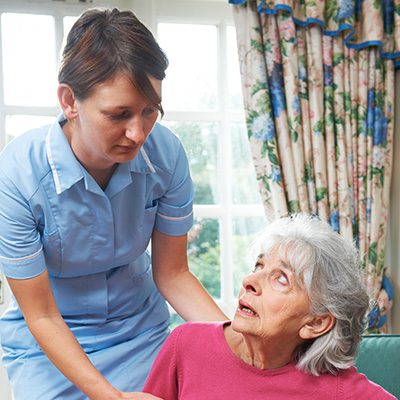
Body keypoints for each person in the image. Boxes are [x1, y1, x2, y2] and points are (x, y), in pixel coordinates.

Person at [0, 8, 227, 400]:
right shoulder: (16, 175)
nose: (138, 133)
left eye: (150, 110)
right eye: (118, 114)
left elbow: (173, 275)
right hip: (51, 342)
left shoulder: (167, 154)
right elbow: (42, 315)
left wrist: (240, 344)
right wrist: (113, 397)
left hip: (140, 331)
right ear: (70, 101)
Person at [143, 214, 397, 400]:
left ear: (315, 323)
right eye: (259, 266)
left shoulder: (339, 391)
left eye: (281, 279)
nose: (250, 281)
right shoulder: (186, 344)